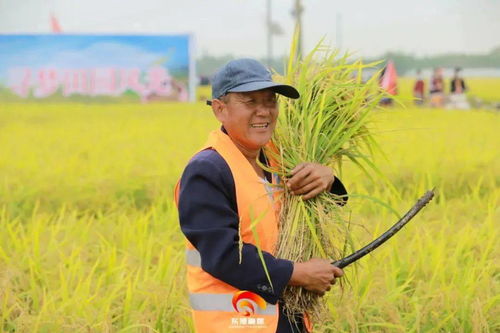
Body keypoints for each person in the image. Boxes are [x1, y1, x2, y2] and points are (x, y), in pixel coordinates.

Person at [175, 58, 347, 333]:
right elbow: (224, 255)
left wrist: (327, 180)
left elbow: (324, 211)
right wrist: (299, 274)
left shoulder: (280, 158)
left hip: (287, 315)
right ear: (220, 110)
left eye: (270, 101)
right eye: (250, 102)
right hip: (236, 322)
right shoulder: (207, 171)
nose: (263, 112)